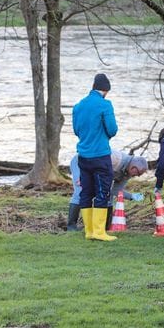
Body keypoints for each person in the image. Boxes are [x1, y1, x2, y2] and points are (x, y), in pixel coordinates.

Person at [72, 73, 118, 241]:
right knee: (102, 192)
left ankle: (89, 231)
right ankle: (100, 232)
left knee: (86, 192)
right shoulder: (105, 105)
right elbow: (112, 130)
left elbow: (76, 130)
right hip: (100, 155)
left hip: (83, 156)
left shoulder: (78, 106)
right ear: (106, 90)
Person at [68, 150, 148, 231]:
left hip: (96, 170)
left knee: (107, 195)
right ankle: (71, 227)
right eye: (137, 173)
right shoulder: (116, 158)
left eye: (139, 175)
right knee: (80, 191)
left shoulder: (127, 174)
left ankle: (104, 226)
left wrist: (132, 196)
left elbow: (116, 190)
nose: (136, 176)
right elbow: (94, 163)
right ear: (133, 166)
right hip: (83, 162)